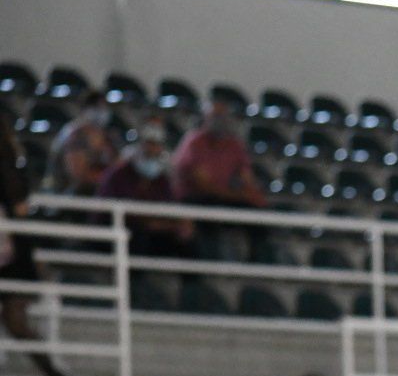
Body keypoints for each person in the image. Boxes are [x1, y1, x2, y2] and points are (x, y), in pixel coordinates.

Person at [0, 108, 71, 376]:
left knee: (15, 319)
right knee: (15, 319)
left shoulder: (8, 167)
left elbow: (18, 209)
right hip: (12, 249)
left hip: (11, 252)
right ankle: (53, 375)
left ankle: (54, 375)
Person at [95, 122, 194, 257]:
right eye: (148, 144)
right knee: (138, 236)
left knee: (186, 239)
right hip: (116, 231)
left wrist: (181, 223)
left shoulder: (161, 179)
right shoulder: (118, 175)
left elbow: (170, 206)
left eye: (156, 145)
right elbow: (129, 215)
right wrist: (158, 224)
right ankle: (136, 278)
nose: (152, 150)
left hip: (151, 231)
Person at [171, 91, 266, 210]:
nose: (219, 120)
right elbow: (204, 186)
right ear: (205, 117)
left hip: (222, 199)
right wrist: (239, 196)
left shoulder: (234, 144)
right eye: (215, 116)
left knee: (255, 209)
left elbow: (246, 178)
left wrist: (253, 195)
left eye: (223, 115)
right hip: (194, 199)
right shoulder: (193, 142)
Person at [46, 90, 116, 195]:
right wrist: (107, 178)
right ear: (86, 110)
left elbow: (115, 164)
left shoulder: (104, 134)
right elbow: (78, 174)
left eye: (105, 108)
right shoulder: (72, 134)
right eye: (98, 108)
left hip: (93, 193)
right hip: (64, 194)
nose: (103, 112)